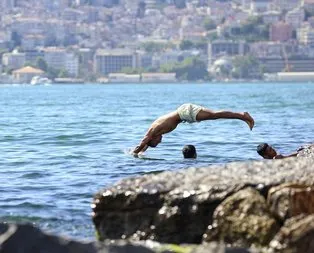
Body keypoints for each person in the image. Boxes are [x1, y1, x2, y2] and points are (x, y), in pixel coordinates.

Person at [133, 103, 255, 154]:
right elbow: (146, 143)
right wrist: (143, 151)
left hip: (185, 113)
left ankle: (243, 115)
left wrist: (134, 153)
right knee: (214, 116)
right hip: (185, 114)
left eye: (157, 142)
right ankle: (242, 117)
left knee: (214, 115)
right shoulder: (154, 133)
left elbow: (144, 141)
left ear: (152, 139)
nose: (160, 141)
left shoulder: (153, 131)